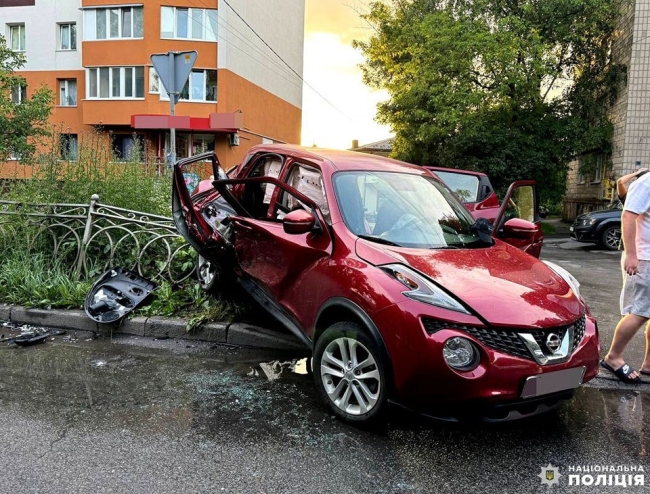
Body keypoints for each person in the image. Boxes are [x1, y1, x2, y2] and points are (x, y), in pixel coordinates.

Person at [601, 170, 650, 383]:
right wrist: (632, 255)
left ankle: (649, 363)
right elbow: (628, 215)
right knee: (639, 312)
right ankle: (613, 357)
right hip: (645, 258)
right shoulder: (647, 182)